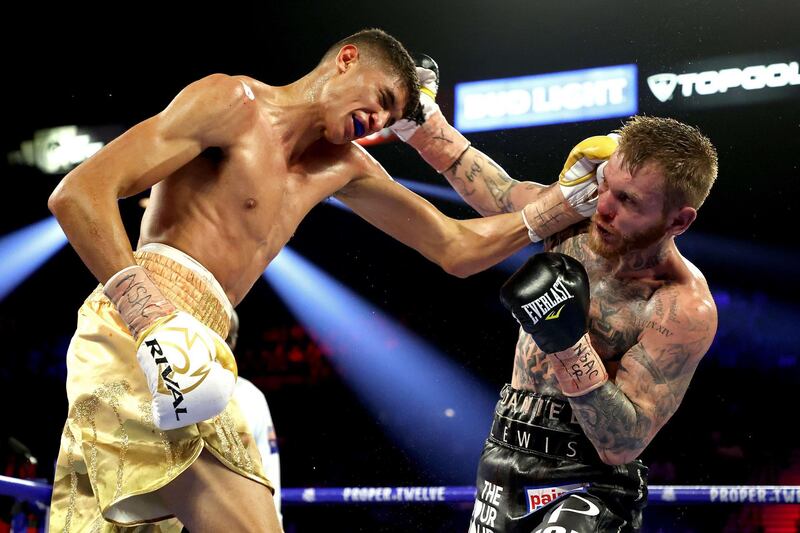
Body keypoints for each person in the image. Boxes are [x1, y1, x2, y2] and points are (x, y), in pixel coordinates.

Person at [46, 28, 556, 532]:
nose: (376, 120)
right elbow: (79, 193)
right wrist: (146, 312)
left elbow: (455, 247)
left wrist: (564, 203)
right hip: (135, 330)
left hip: (204, 344)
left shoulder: (344, 166)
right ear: (346, 59)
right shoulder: (233, 103)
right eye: (380, 99)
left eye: (391, 117)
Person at [391, 58, 718, 532]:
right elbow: (493, 188)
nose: (604, 207)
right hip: (504, 453)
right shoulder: (577, 222)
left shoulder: (682, 306)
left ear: (679, 221)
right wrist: (421, 119)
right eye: (609, 185)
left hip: (591, 483)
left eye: (629, 202)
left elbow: (621, 444)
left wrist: (568, 343)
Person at [226, 310, 283, 528]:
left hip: (241, 518)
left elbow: (269, 468)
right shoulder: (178, 391)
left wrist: (274, 525)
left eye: (230, 337)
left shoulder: (251, 397)